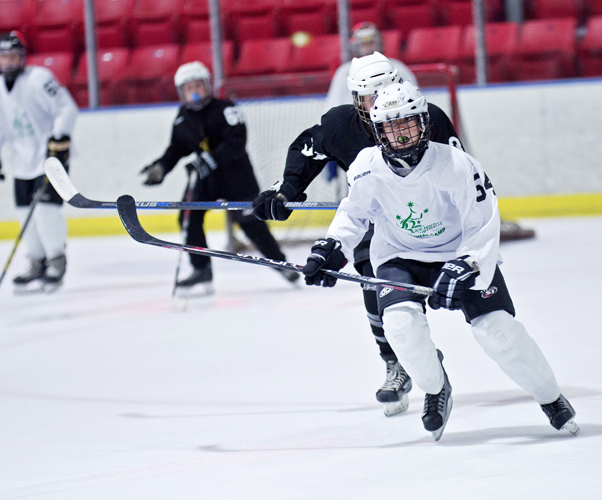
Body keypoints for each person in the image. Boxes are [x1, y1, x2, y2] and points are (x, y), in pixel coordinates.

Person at [301, 81, 578, 441]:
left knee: (498, 333)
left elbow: (482, 222)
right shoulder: (366, 167)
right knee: (399, 326)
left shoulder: (456, 164)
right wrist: (330, 247)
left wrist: (467, 264)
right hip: (400, 256)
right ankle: (436, 389)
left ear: (423, 122)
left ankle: (551, 398)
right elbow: (354, 215)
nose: (400, 134)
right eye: (390, 126)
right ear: (377, 129)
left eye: (408, 123)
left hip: (459, 253)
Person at [253, 52, 464, 417]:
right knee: (377, 287)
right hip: (379, 221)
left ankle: (424, 356)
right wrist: (286, 190)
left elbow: (461, 173)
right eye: (370, 97)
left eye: (387, 90)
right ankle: (397, 363)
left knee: (470, 304)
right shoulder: (340, 125)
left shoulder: (428, 118)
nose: (381, 101)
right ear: (356, 101)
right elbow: (310, 150)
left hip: (431, 221)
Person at [140, 61, 299, 295]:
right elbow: (176, 148)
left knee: (251, 223)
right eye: (188, 88)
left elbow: (236, 142)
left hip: (237, 175)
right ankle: (201, 269)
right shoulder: (183, 116)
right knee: (188, 218)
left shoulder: (226, 109)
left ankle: (279, 262)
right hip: (205, 178)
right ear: (180, 92)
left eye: (198, 86)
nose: (194, 92)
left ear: (208, 86)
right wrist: (161, 167)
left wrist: (210, 159)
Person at [0, 31, 77, 293]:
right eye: (3, 57)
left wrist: (60, 138)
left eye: (13, 56)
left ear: (22, 57)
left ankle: (57, 259)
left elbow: (65, 108)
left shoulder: (39, 79)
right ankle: (36, 260)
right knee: (25, 214)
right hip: (22, 161)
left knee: (46, 211)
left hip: (52, 158)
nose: (8, 62)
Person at [325, 22, 417, 112]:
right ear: (355, 46)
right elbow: (333, 104)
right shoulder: (345, 72)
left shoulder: (397, 67)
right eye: (364, 45)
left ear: (380, 43)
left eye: (371, 43)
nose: (368, 48)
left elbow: (415, 98)